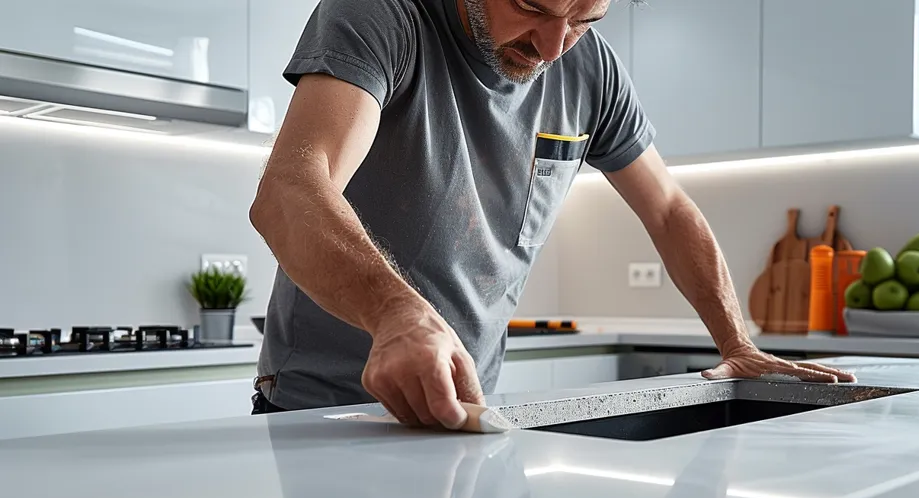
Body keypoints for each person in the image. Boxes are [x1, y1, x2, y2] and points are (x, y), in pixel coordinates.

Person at [248, 0, 855, 426]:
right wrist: (396, 315)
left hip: (467, 409)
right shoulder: (382, 14)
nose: (552, 46)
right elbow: (291, 190)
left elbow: (668, 208)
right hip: (323, 410)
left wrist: (737, 342)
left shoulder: (590, 70)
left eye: (585, 20)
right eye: (532, 7)